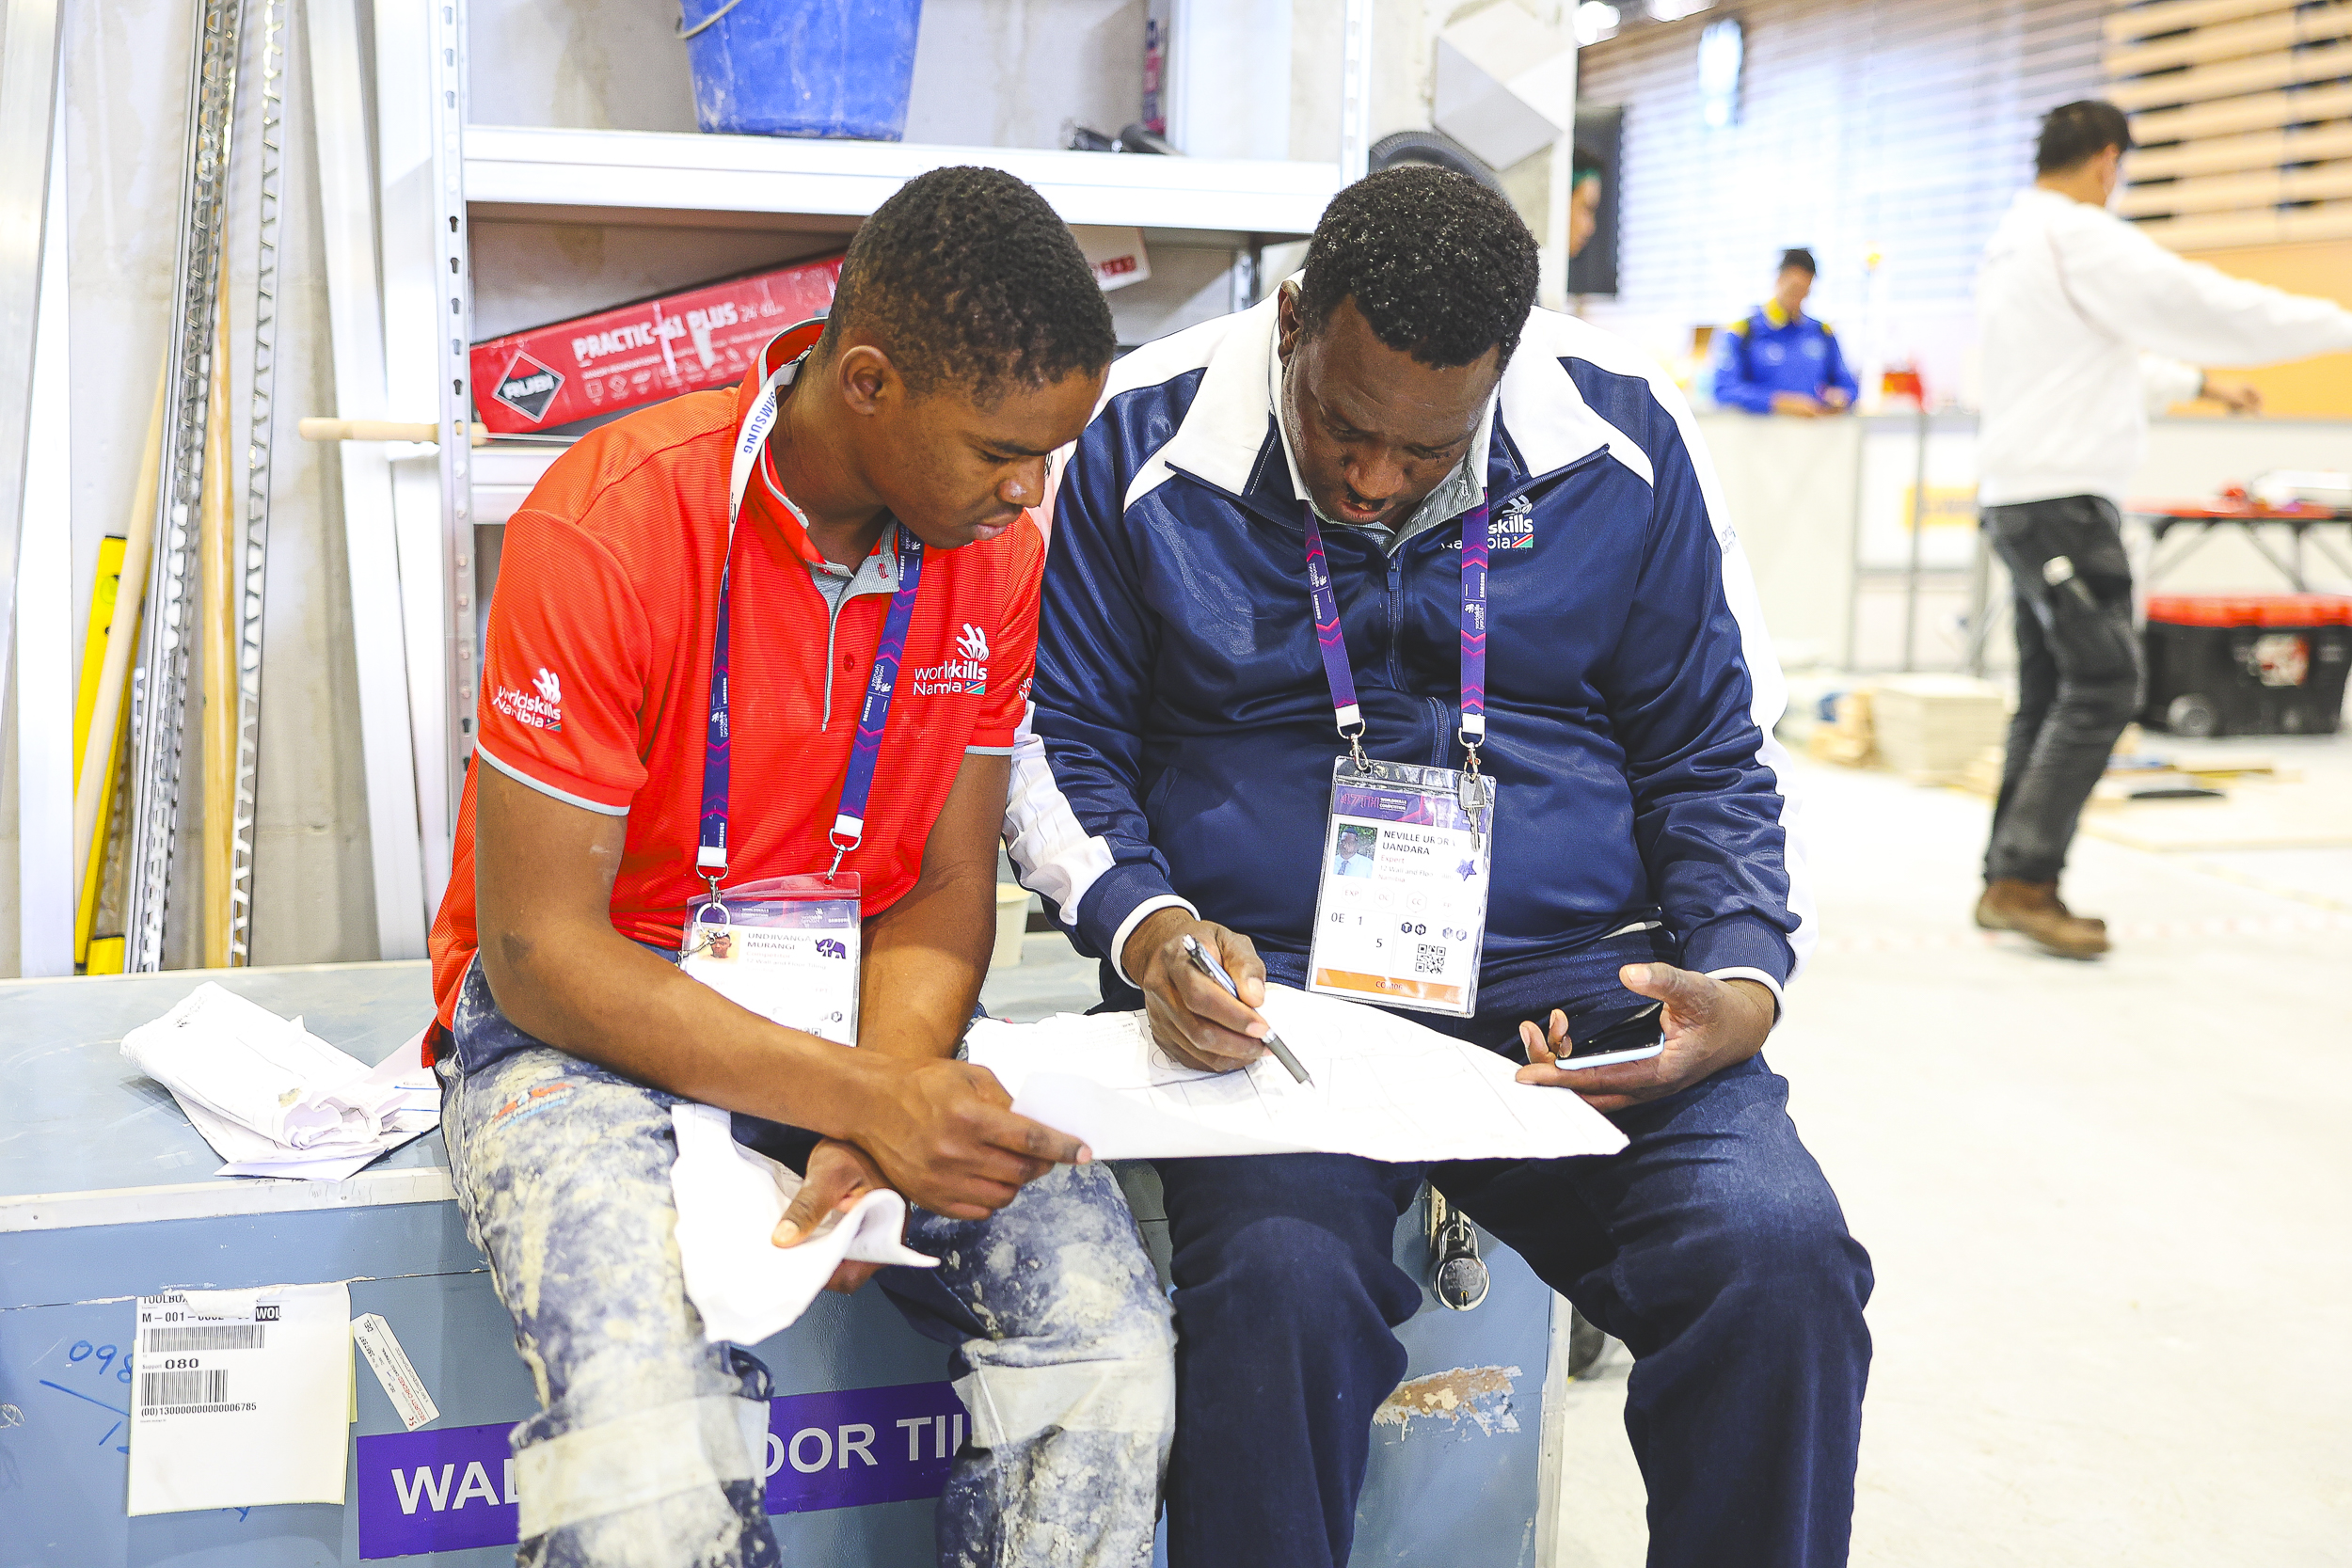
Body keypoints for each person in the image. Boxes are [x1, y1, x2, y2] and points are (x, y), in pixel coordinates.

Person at [1008, 166, 1871, 1568]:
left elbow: (1716, 748)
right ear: (1291, 320)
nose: (1374, 476)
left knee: (1777, 1256)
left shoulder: (1618, 435)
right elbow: (1059, 739)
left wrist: (1738, 980)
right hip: (1277, 1005)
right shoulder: (1140, 443)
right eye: (1345, 429)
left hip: (1580, 996)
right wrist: (1151, 928)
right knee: (1278, 1281)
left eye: (1429, 448)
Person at [426, 166, 1173, 1568]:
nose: (1031, 494)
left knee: (1111, 1351)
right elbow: (538, 951)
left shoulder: (992, 555)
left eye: (1051, 455)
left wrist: (886, 1095)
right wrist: (865, 1097)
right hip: (587, 1025)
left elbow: (948, 883)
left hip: (859, 1004)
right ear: (872, 383)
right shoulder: (611, 524)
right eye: (1003, 449)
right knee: (645, 1458)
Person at [1973, 99, 2352, 958]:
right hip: (2062, 501)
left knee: (2053, 692)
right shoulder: (2078, 236)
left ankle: (2014, 875)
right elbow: (2204, 302)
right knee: (2106, 683)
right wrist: (2339, 327)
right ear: (2108, 162)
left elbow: (2095, 366)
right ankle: (2021, 879)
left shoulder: (2013, 245)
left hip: (2025, 496)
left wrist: (2198, 385)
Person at [1713, 247, 1859, 417]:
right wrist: (1778, 402)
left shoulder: (1821, 333)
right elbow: (1723, 390)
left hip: (1813, 438)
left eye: (1805, 290)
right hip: (1760, 438)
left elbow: (1849, 386)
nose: (1798, 297)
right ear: (1779, 280)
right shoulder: (1744, 331)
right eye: (1794, 288)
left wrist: (1840, 398)